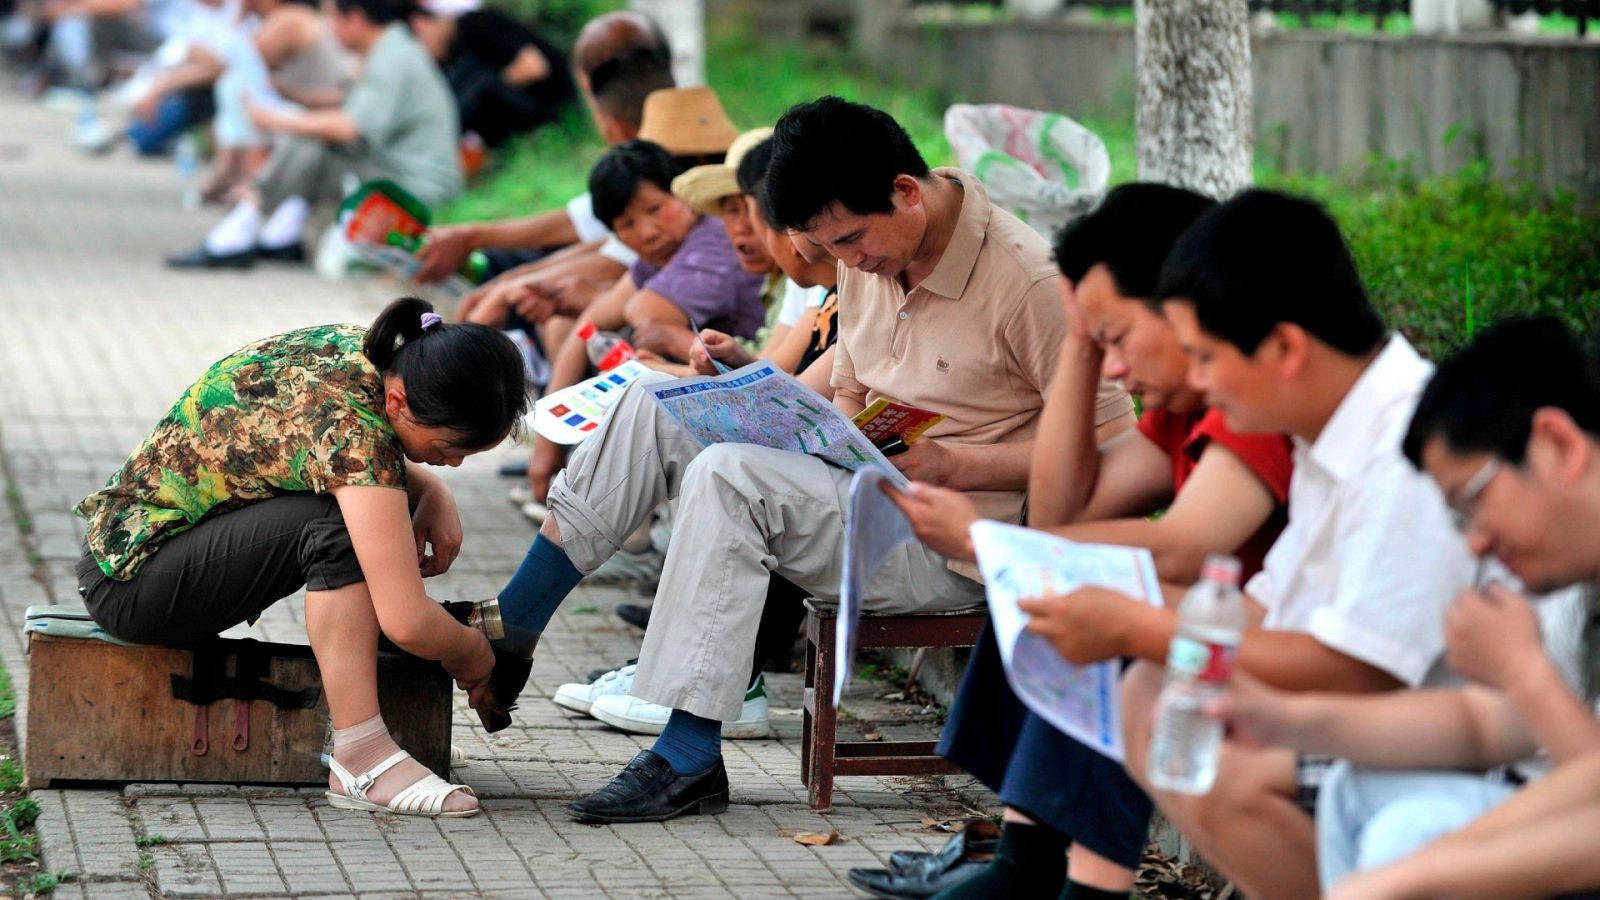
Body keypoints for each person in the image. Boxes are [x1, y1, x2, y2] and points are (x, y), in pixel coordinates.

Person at [466, 96, 1132, 824]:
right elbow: (844, 398)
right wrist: (754, 397)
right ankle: (515, 626)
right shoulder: (870, 247)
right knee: (654, 400)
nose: (848, 264)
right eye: (829, 249)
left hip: (955, 542)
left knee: (728, 477)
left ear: (905, 191)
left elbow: (1109, 448)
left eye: (849, 241)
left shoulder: (1029, 281)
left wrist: (961, 466)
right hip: (864, 486)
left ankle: (687, 755)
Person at [855, 183, 1295, 900]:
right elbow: (1067, 517)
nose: (1117, 367)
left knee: (1094, 598)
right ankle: (1025, 858)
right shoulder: (1184, 408)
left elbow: (1184, 548)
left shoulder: (1255, 402)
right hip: (1227, 631)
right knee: (1060, 573)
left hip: (1274, 644)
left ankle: (1055, 877)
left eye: (1117, 337)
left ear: (1186, 306)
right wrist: (1080, 348)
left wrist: (987, 539)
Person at [1068, 189, 1473, 898]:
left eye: (1206, 357)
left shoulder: (1405, 451)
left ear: (1286, 347)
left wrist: (1138, 623)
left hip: (1449, 749)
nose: (1197, 381)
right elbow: (1263, 609)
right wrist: (1095, 591)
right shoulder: (1328, 434)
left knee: (1218, 759)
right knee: (1151, 690)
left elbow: (1355, 671)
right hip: (1363, 714)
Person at [73, 297, 528, 818]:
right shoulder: (352, 430)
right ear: (399, 402)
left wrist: (430, 490)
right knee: (336, 526)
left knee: (366, 508)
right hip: (134, 584)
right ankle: (362, 756)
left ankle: (375, 725)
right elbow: (406, 621)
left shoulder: (371, 353)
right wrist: (471, 653)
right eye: (448, 448)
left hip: (139, 557)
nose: (454, 463)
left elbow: (328, 443)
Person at [1209, 316, 1600, 899]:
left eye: (1473, 501)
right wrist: (1284, 718)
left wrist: (1417, 872)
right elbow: (1481, 723)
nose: (1475, 543)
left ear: (1558, 445)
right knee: (1356, 790)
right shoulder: (1567, 585)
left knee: (1408, 834)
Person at [521, 137, 766, 500]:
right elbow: (588, 324)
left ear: (681, 195)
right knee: (575, 331)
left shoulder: (712, 242)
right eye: (628, 224)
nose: (648, 232)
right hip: (722, 391)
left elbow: (643, 311)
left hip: (752, 398)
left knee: (637, 366)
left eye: (655, 209)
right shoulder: (664, 253)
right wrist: (545, 447)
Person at [167, 0, 461, 269]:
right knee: (310, 133)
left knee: (308, 138)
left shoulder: (393, 59)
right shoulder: (395, 49)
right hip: (400, 173)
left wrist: (276, 119)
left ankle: (239, 232)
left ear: (356, 19)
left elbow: (349, 126)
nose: (328, 29)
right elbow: (351, 104)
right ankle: (279, 237)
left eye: (331, 18)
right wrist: (293, 96)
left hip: (418, 189)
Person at [410, 9, 673, 286]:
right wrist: (473, 239)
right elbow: (590, 224)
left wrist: (508, 283)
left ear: (613, 124)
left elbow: (618, 256)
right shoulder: (663, 147)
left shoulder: (654, 162)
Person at [201, 0, 352, 203]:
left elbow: (230, 59)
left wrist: (239, 15)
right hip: (311, 103)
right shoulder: (291, 17)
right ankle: (237, 174)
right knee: (238, 87)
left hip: (326, 109)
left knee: (239, 87)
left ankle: (245, 176)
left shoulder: (290, 20)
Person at [406, 0, 574, 148]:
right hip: (527, 110)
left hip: (555, 104)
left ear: (421, 24)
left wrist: (489, 88)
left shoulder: (474, 25)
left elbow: (535, 66)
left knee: (478, 84)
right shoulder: (452, 54)